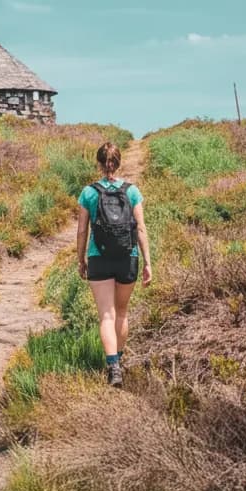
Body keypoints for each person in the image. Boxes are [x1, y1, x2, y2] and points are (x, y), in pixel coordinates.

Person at [76, 141, 152, 387]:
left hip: (99, 258)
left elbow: (81, 231)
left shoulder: (88, 192)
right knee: (122, 312)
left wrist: (81, 259)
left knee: (106, 316)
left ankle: (113, 368)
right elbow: (140, 228)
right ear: (119, 163)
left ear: (99, 163)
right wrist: (148, 262)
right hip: (127, 257)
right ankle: (118, 360)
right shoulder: (132, 191)